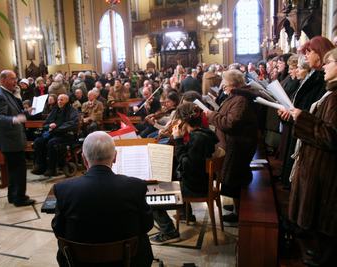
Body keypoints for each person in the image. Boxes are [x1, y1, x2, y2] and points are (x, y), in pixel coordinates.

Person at [52, 131, 154, 266]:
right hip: (127, 261)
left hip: (81, 262)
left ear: (83, 158)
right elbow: (147, 225)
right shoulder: (136, 186)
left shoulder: (63, 189)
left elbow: (58, 229)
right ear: (115, 157)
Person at [287, 48, 337, 267]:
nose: (324, 66)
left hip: (326, 169)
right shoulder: (330, 93)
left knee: (324, 221)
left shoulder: (335, 98)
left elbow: (330, 136)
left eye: (329, 62)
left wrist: (302, 117)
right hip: (318, 164)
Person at [150, 102, 218, 245]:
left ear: (183, 121)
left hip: (195, 188)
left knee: (151, 199)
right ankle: (184, 213)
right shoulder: (204, 133)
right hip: (199, 183)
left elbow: (187, 166)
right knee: (165, 184)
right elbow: (191, 160)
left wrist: (179, 140)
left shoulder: (197, 138)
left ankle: (169, 232)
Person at [204, 69, 259, 224]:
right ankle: (237, 209)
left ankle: (241, 213)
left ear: (234, 84)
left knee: (235, 180)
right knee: (233, 179)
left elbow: (230, 123)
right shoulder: (236, 97)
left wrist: (212, 115)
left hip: (238, 146)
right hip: (234, 145)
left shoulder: (240, 99)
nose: (223, 87)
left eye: (225, 84)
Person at [0, 70, 35, 207]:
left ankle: (13, 195)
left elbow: (14, 112)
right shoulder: (0, 96)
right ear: (3, 80)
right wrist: (16, 119)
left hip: (12, 138)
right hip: (9, 139)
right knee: (19, 169)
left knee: (13, 169)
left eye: (15, 79)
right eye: (12, 79)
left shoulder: (8, 93)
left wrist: (25, 113)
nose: (15, 82)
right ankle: (20, 198)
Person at [32, 94, 79, 177]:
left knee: (52, 143)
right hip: (53, 133)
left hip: (66, 135)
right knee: (38, 141)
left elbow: (72, 124)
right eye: (58, 100)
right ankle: (40, 166)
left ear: (67, 101)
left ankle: (51, 169)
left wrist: (57, 127)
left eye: (62, 100)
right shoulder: (55, 110)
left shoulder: (72, 111)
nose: (59, 102)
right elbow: (46, 123)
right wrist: (49, 126)